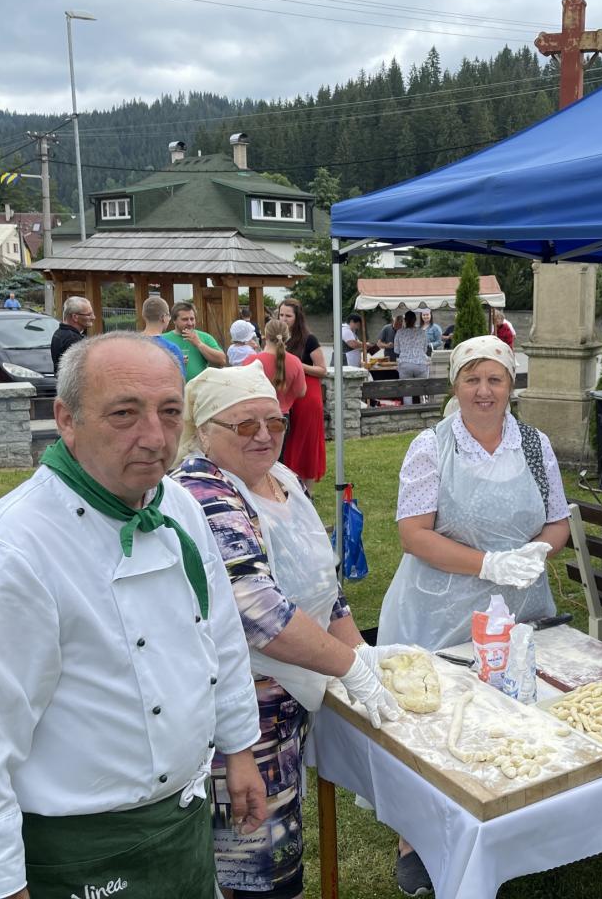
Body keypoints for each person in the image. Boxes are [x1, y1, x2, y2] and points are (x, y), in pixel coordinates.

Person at [0, 333, 268, 899]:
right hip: (78, 848)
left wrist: (240, 748)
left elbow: (219, 637)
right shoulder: (12, 550)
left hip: (184, 822)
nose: (154, 438)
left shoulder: (178, 505)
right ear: (67, 419)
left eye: (169, 412)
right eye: (124, 413)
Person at [172, 363, 407, 899]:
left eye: (274, 422)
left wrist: (360, 648)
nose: (263, 436)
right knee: (255, 858)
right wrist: (351, 668)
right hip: (238, 713)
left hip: (289, 696)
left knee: (278, 838)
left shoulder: (284, 481)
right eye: (244, 425)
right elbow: (259, 613)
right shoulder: (201, 493)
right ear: (204, 432)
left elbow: (322, 580)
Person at [379, 334, 570, 894]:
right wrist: (488, 563)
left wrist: (537, 552)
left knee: (511, 714)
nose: (484, 391)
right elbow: (414, 535)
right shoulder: (432, 446)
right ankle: (416, 839)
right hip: (440, 609)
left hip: (519, 604)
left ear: (511, 386)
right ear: (455, 385)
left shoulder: (533, 444)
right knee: (433, 725)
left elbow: (558, 519)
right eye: (472, 379)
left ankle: (504, 818)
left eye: (495, 379)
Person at [276, 298, 327, 489]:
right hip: (286, 394)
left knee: (305, 441)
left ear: (297, 318)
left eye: (288, 316)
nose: (283, 319)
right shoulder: (277, 337)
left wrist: (297, 365)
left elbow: (322, 369)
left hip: (307, 394)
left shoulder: (309, 339)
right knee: (287, 441)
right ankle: (288, 485)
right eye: (281, 315)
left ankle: (307, 491)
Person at [243, 318, 308, 413]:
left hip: (257, 415)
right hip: (281, 416)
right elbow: (301, 392)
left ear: (266, 336)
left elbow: (244, 390)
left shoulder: (251, 360)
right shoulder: (295, 361)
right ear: (287, 337)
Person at [164, 301, 229, 380]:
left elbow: (222, 360)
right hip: (173, 386)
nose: (190, 323)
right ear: (174, 320)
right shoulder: (164, 339)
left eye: (192, 319)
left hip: (199, 386)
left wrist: (199, 344)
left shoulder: (205, 337)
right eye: (185, 319)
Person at [141, 295, 187, 376]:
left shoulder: (130, 343)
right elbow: (180, 379)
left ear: (143, 316)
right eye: (169, 315)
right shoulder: (171, 348)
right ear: (163, 317)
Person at [393, 309, 431, 403]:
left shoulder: (399, 332)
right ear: (415, 320)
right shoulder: (422, 332)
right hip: (421, 364)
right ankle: (424, 408)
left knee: (407, 392)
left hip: (405, 364)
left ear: (405, 320)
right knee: (422, 391)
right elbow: (425, 350)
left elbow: (396, 350)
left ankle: (408, 410)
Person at [49, 295, 94, 374]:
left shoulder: (59, 333)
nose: (93, 317)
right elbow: (81, 370)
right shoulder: (72, 339)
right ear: (75, 317)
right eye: (89, 314)